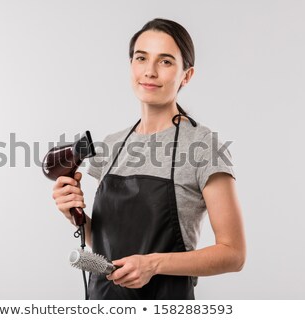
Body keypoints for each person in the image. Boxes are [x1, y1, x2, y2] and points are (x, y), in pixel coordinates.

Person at [52, 18, 246, 299]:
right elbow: (108, 242)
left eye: (165, 62)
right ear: (131, 65)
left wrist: (153, 264)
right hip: (104, 302)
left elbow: (234, 254)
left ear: (186, 75)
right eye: (141, 58)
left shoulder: (203, 146)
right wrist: (75, 216)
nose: (150, 71)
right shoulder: (112, 145)